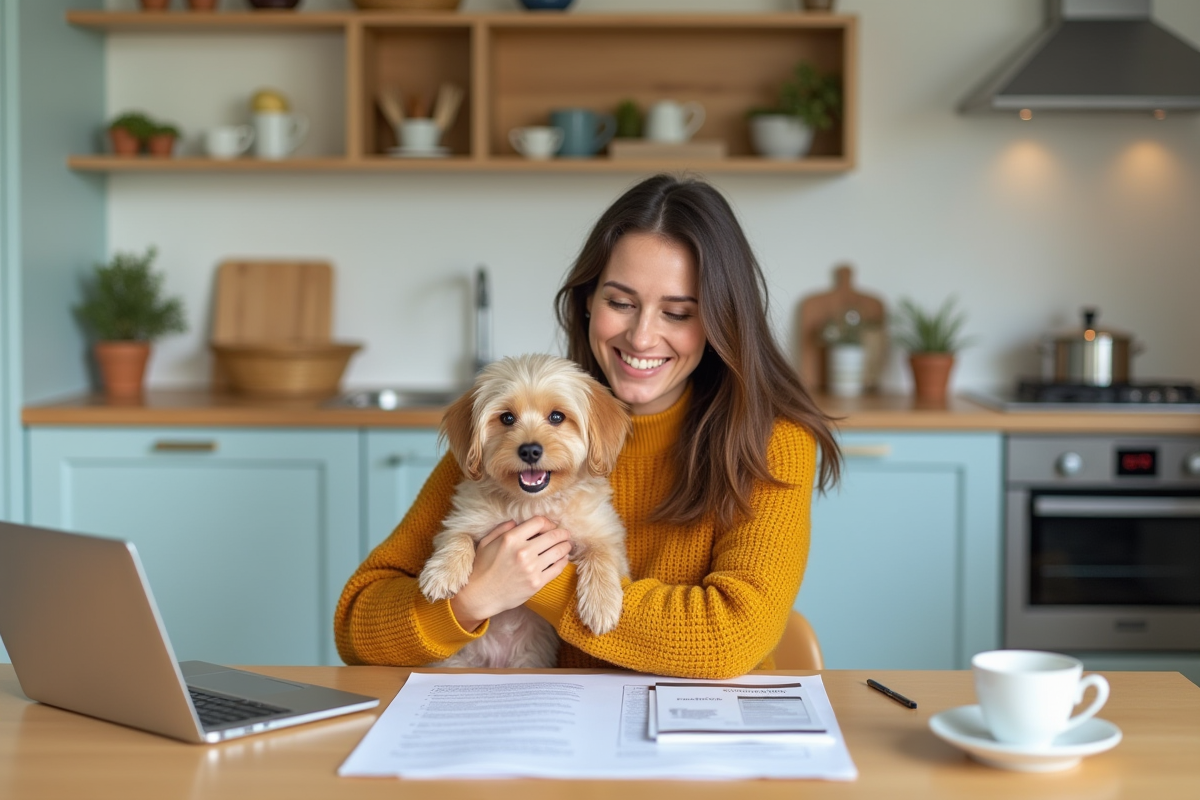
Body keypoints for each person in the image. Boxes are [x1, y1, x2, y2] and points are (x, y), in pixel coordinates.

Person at [334, 174, 841, 679]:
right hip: (541, 721)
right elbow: (357, 626)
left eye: (678, 312)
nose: (642, 337)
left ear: (719, 322)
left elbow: (728, 640)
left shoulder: (771, 442)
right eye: (620, 302)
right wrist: (469, 602)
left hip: (702, 731)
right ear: (587, 301)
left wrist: (536, 578)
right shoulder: (504, 436)